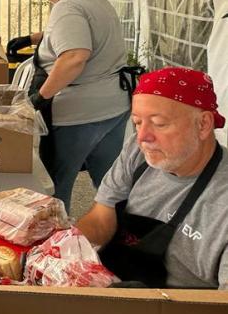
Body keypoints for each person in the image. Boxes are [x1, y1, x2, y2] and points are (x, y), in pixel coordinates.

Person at [76, 67, 228, 289]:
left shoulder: (221, 201)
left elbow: (220, 312)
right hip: (112, 283)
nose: (142, 137)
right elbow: (101, 217)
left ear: (203, 124)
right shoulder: (138, 153)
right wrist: (65, 249)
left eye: (159, 123)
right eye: (137, 122)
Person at [12, 0, 129, 213]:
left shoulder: (68, 7)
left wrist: (41, 96)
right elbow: (81, 34)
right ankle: (123, 238)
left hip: (78, 113)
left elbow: (75, 56)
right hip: (112, 107)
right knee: (110, 183)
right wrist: (32, 39)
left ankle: (57, 243)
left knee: (54, 184)